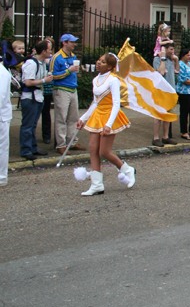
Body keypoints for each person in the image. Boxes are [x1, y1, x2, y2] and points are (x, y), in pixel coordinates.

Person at [75, 53, 136, 196]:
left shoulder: (113, 80)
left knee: (104, 152)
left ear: (110, 66)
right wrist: (83, 118)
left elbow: (116, 104)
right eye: (99, 60)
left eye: (102, 62)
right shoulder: (96, 79)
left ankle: (127, 170)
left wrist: (109, 124)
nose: (98, 63)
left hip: (110, 116)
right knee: (93, 149)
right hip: (97, 115)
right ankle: (97, 185)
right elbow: (95, 102)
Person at [51, 34, 86, 154]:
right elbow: (52, 76)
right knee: (61, 118)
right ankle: (61, 144)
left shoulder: (73, 56)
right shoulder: (57, 57)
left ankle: (72, 142)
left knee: (73, 118)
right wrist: (68, 71)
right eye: (72, 42)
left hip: (72, 89)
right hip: (61, 89)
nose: (74, 44)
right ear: (64, 43)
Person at [20, 41, 53, 161]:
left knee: (33, 125)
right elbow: (28, 82)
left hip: (38, 96)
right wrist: (44, 81)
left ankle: (33, 148)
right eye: (49, 49)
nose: (51, 52)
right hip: (30, 97)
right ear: (44, 51)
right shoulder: (31, 63)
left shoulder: (41, 63)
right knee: (28, 125)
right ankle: (26, 150)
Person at [153, 43, 178, 147]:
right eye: (171, 49)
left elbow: (177, 71)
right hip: (161, 91)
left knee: (168, 115)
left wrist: (176, 60)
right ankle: (155, 138)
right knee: (158, 115)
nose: (172, 52)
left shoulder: (170, 60)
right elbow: (161, 72)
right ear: (165, 49)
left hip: (171, 91)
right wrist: (162, 58)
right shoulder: (157, 59)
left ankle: (165, 136)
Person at [40, 38, 55, 146]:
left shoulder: (52, 58)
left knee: (46, 112)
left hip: (48, 88)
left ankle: (47, 135)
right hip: (39, 87)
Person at [0, 60, 11, 186]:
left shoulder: (2, 73)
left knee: (2, 148)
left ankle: (1, 177)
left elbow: (1, 97)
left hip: (2, 117)